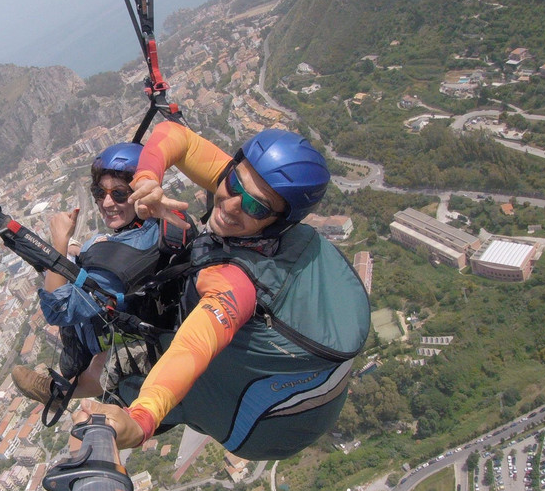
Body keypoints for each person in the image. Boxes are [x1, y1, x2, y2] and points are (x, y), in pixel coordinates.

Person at [80, 121, 371, 460]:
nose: (231, 205)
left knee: (131, 378)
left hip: (260, 433)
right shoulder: (251, 195)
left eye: (256, 207)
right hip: (307, 396)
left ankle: (89, 388)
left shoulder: (236, 283)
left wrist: (142, 418)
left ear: (279, 220)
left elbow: (192, 348)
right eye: (233, 183)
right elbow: (178, 138)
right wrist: (147, 178)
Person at [12, 142, 188, 403]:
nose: (107, 202)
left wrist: (59, 243)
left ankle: (59, 393)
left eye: (119, 194)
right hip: (165, 317)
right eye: (99, 192)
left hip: (151, 339)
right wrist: (78, 249)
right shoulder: (166, 220)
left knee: (102, 361)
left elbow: (57, 311)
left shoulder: (123, 259)